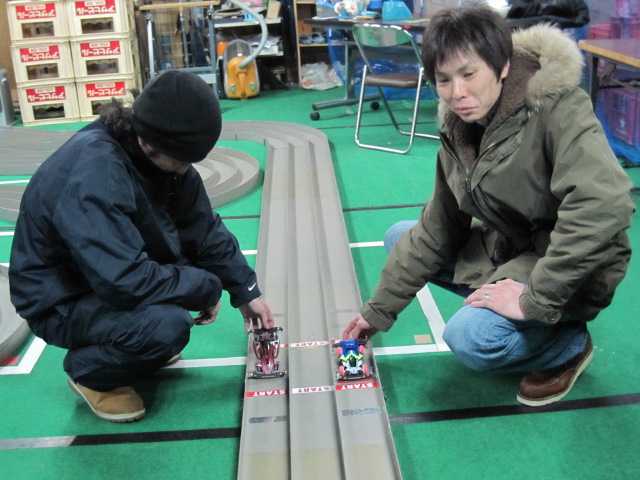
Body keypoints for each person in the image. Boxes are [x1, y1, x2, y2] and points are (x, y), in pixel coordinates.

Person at [342, 5, 634, 407]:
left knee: (471, 339)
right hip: (514, 247)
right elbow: (439, 226)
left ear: (502, 66)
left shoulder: (558, 107)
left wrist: (534, 299)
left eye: (468, 74)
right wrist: (377, 312)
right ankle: (521, 308)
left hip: (578, 262)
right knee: (400, 237)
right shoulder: (459, 125)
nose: (457, 93)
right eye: (443, 79)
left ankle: (567, 345)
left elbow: (604, 206)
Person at [9, 70, 274, 423]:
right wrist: (203, 287)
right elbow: (122, 280)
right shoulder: (96, 171)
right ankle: (90, 373)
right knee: (166, 327)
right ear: (150, 142)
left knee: (182, 279)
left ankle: (133, 343)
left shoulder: (155, 153)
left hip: (100, 271)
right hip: (60, 297)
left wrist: (245, 288)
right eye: (182, 160)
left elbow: (201, 226)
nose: (186, 169)